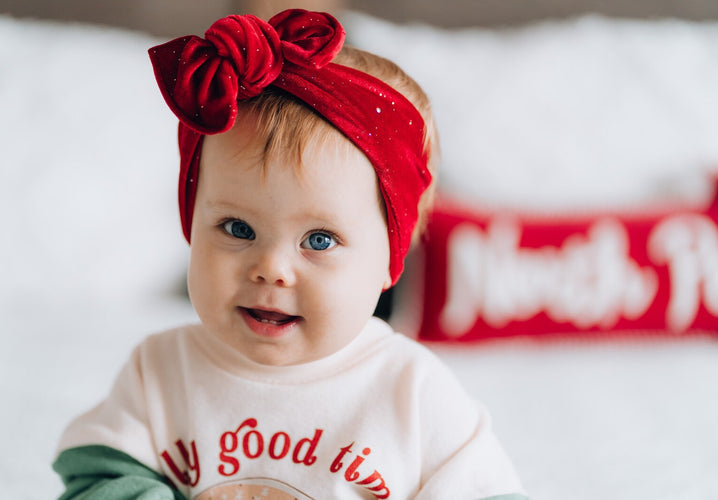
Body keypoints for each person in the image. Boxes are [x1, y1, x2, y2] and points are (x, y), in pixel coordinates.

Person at [52, 9, 528, 499]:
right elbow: (96, 480)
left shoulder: (414, 392)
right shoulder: (159, 371)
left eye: (319, 240)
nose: (271, 269)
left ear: (389, 260)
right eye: (237, 228)